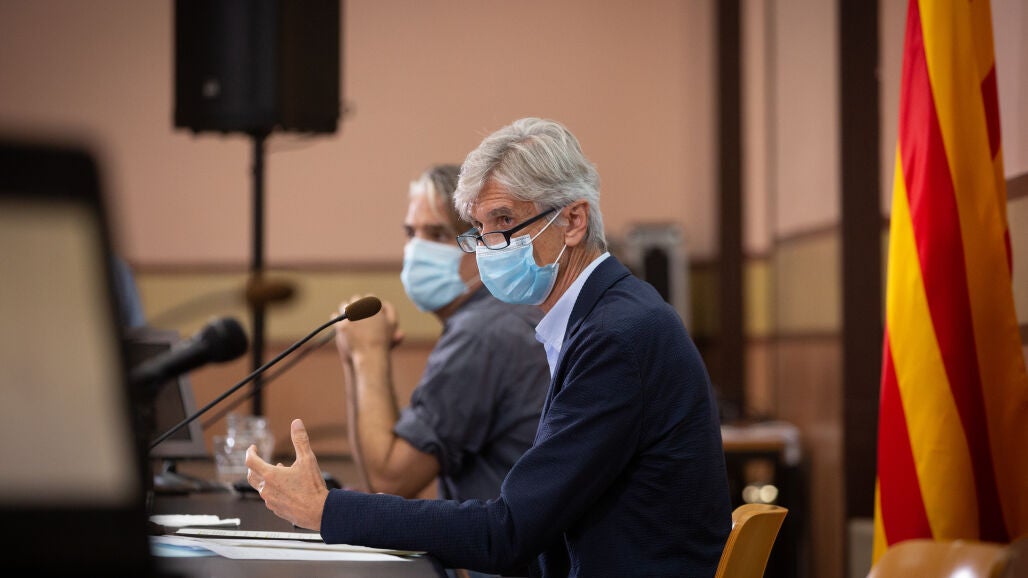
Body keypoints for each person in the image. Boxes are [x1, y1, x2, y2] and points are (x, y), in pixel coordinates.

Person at [246, 118, 732, 577]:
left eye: (504, 221)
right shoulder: (608, 315)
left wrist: (329, 510)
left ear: (573, 221)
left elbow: (508, 532)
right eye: (480, 230)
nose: (489, 247)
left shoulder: (615, 337)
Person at [332, 164, 550, 503]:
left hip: (506, 538)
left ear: (483, 244)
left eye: (437, 235)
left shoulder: (481, 334)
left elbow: (389, 481)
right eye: (411, 233)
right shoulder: (503, 314)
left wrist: (368, 353)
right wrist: (355, 355)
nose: (417, 250)